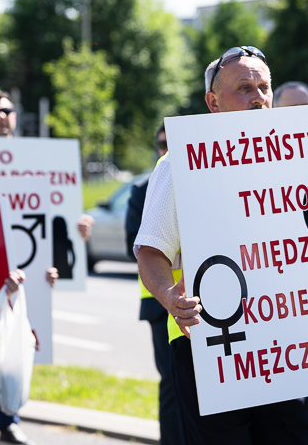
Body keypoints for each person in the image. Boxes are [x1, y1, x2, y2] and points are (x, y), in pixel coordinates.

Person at [135, 46, 308, 444]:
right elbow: (151, 250)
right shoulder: (178, 162)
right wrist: (170, 296)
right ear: (213, 102)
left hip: (290, 346)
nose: (258, 97)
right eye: (244, 88)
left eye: (264, 87)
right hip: (212, 348)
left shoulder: (303, 158)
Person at [0, 88, 58, 445]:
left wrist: (74, 236)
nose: (1, 115)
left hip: (22, 276)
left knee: (14, 349)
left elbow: (50, 214)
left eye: (7, 109)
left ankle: (9, 420)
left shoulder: (33, 162)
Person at [123, 124, 184, 445]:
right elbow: (135, 246)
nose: (166, 149)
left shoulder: (201, 177)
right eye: (161, 143)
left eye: (171, 142)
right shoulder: (142, 189)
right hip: (161, 303)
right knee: (172, 384)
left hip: (198, 303)